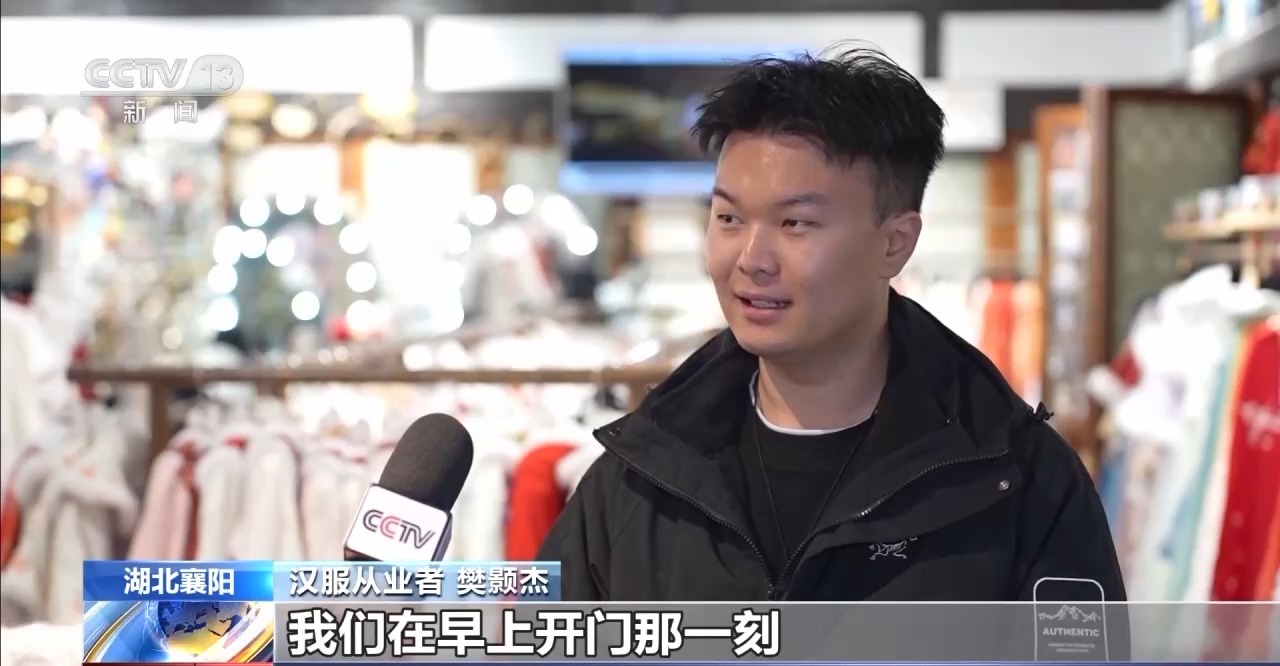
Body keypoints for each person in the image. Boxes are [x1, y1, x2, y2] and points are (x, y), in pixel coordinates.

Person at [538, 46, 1126, 602]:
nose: (751, 259)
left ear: (895, 244)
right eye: (728, 218)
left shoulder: (1020, 482)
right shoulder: (638, 477)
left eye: (795, 223)